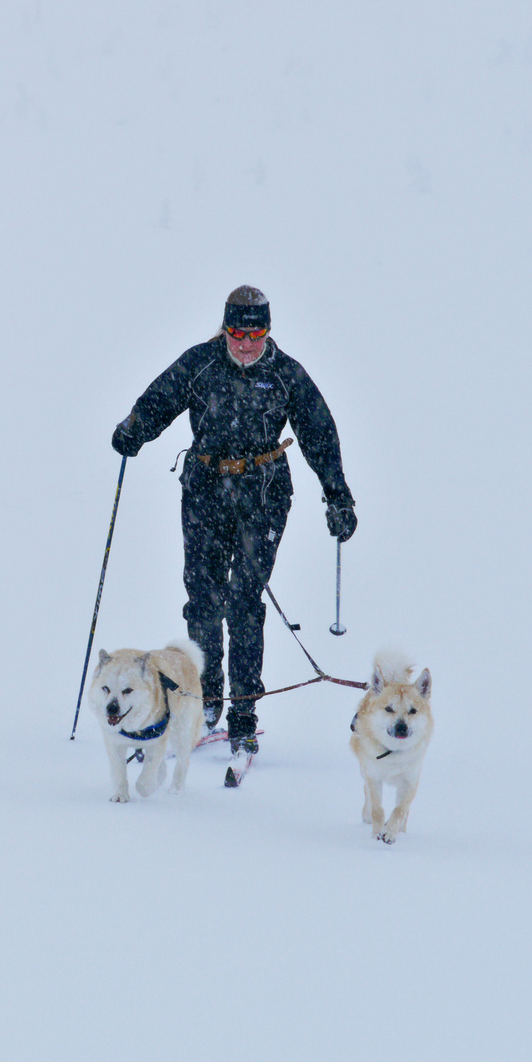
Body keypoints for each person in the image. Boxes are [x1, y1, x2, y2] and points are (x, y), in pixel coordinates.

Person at [110, 286, 356, 757]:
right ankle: (205, 702)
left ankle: (243, 714)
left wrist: (337, 496)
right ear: (225, 329)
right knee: (203, 600)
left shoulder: (285, 375)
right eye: (237, 333)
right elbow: (159, 399)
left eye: (256, 333)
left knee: (244, 602)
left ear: (268, 330)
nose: (246, 343)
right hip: (204, 489)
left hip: (262, 495)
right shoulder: (200, 363)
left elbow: (319, 434)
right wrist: (133, 430)